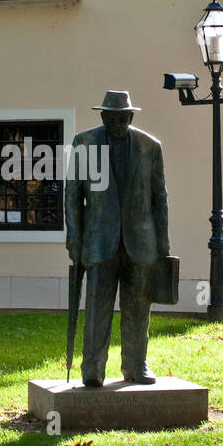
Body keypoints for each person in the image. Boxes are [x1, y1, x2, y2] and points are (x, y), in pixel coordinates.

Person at [65, 91, 170, 387]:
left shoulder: (150, 147)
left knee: (138, 308)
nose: (118, 122)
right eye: (112, 117)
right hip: (99, 241)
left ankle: (136, 364)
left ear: (131, 117)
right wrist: (74, 238)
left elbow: (159, 198)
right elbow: (72, 195)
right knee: (97, 306)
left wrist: (163, 245)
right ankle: (93, 368)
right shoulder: (84, 144)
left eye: (124, 117)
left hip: (142, 243)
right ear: (102, 117)